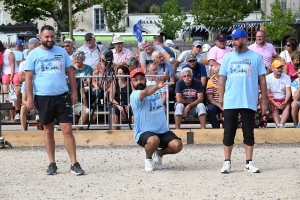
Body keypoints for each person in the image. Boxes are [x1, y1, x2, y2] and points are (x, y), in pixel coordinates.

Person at [25, 25, 84, 176]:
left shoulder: (61, 52)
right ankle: (52, 163)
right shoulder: (33, 54)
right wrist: (29, 97)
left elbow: (70, 72)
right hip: (43, 97)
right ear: (40, 37)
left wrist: (74, 91)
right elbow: (29, 77)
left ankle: (74, 163)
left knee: (67, 129)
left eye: (52, 36)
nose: (50, 39)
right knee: (48, 130)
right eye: (46, 37)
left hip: (62, 95)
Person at [219, 28, 268, 174]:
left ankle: (249, 162)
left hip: (248, 99)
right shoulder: (228, 57)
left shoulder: (256, 57)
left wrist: (264, 101)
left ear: (244, 40)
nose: (233, 42)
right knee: (228, 132)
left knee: (248, 132)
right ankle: (227, 162)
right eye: (232, 39)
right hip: (231, 100)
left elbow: (262, 80)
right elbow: (222, 78)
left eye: (236, 39)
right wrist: (221, 97)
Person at [130, 68, 182, 172]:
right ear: (131, 82)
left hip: (162, 131)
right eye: (135, 80)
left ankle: (159, 153)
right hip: (144, 132)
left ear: (145, 79)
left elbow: (160, 81)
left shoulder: (154, 87)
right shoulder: (134, 95)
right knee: (154, 140)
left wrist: (165, 77)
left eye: (141, 79)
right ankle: (148, 158)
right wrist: (156, 86)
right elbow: (145, 93)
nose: (139, 81)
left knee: (177, 145)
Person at [0, 41, 21, 122]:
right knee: (4, 80)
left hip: (14, 71)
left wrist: (12, 75)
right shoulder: (0, 54)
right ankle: (7, 99)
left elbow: (12, 64)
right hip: (5, 72)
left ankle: (16, 110)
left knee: (15, 81)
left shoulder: (9, 52)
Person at [266, 60, 291, 128]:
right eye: (277, 68)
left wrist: (285, 102)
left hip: (283, 98)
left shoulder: (286, 77)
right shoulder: (268, 78)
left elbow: (288, 92)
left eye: (281, 67)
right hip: (273, 99)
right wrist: (274, 103)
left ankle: (280, 125)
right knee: (273, 107)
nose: (280, 69)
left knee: (287, 106)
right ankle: (279, 125)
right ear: (272, 69)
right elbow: (267, 94)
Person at [109, 66, 132, 130]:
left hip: (129, 103)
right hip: (117, 103)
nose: (118, 75)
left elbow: (135, 95)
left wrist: (129, 105)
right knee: (115, 109)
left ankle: (134, 130)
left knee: (133, 109)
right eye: (118, 73)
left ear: (126, 74)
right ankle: (114, 131)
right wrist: (118, 106)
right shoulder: (115, 82)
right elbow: (111, 98)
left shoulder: (130, 82)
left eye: (121, 73)